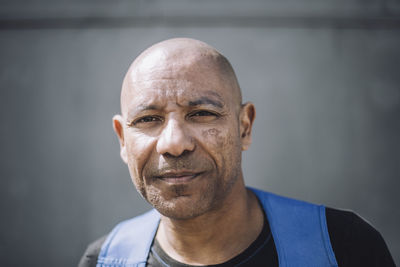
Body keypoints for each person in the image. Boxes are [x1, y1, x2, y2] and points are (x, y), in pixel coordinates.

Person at [79, 38, 395, 267]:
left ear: (244, 127)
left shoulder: (344, 248)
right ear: (123, 139)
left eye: (201, 113)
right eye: (148, 120)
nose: (174, 144)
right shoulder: (104, 259)